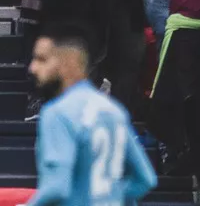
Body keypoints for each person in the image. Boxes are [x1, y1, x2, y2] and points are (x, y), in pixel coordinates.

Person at [27, 26, 156, 206]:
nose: (32, 68)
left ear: (69, 63)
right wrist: (109, 196)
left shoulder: (58, 113)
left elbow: (56, 187)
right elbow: (146, 179)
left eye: (42, 59)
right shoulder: (114, 110)